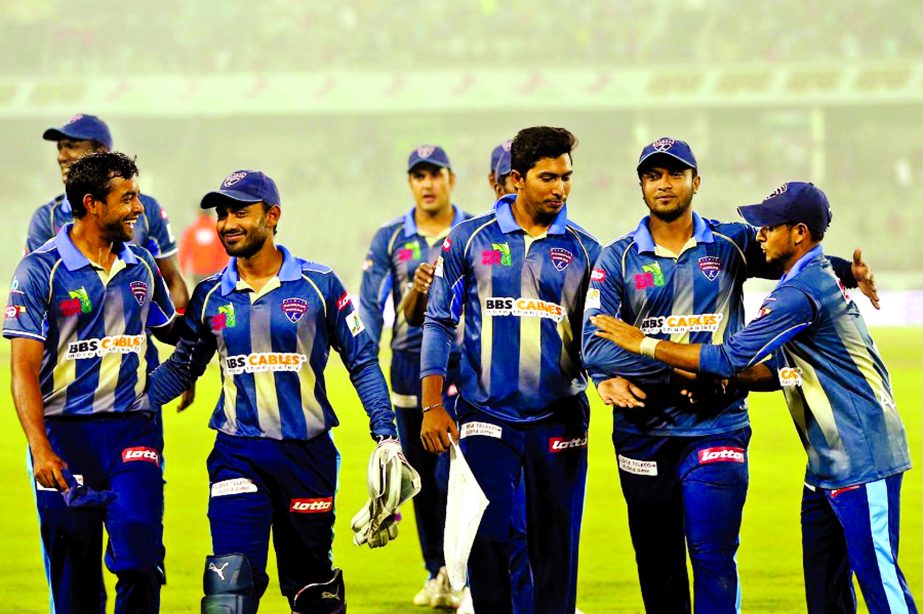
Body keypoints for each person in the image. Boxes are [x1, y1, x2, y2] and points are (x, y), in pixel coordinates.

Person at [581, 138, 879, 613]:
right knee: (657, 565)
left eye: (675, 174)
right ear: (640, 186)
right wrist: (681, 374)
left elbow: (793, 256)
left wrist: (846, 271)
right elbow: (595, 344)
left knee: (713, 553)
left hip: (717, 427)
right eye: (653, 175)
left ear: (696, 182)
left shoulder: (730, 243)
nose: (664, 183)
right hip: (643, 434)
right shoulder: (616, 258)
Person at [148, 169, 398, 613]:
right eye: (222, 213)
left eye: (240, 212)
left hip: (308, 457)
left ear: (273, 216)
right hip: (237, 454)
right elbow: (182, 368)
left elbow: (361, 360)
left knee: (312, 591)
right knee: (229, 591)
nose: (227, 223)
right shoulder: (210, 295)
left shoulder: (320, 285)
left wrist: (387, 434)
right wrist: (122, 404)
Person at [421, 126, 600, 614]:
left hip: (559, 416)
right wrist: (433, 403)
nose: (560, 188)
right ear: (516, 179)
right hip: (484, 414)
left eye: (566, 177)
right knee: (488, 541)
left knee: (555, 549)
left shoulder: (587, 250)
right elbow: (438, 321)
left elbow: (599, 335)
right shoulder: (468, 239)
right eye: (547, 177)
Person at [4, 152, 177, 613]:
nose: (139, 209)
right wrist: (40, 448)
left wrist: (219, 311)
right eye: (128, 199)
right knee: (75, 578)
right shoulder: (41, 270)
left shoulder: (141, 264)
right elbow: (21, 368)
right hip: (65, 435)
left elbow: (170, 328)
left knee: (140, 554)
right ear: (92, 204)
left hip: (133, 429)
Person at [359, 144, 470, 609]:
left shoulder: (473, 232)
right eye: (418, 176)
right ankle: (438, 573)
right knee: (421, 476)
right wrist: (363, 358)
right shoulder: (390, 237)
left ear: (451, 179)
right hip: (407, 363)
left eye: (435, 175)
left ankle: (467, 573)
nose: (427, 184)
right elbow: (368, 303)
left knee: (458, 475)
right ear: (410, 183)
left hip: (465, 363)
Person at [179, 209, 230, 284]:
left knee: (200, 294)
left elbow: (184, 253)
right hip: (214, 272)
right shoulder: (217, 230)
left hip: (197, 273)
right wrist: (223, 269)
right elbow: (225, 251)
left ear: (198, 213)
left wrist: (182, 272)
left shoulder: (191, 230)